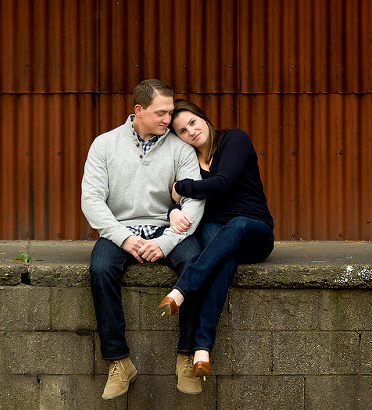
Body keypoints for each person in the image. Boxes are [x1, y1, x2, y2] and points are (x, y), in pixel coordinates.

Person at [82, 80, 206, 400]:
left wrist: (165, 242)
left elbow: (194, 201)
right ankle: (119, 362)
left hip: (169, 228)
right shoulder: (105, 144)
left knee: (196, 264)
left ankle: (187, 357)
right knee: (100, 269)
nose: (169, 119)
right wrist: (123, 237)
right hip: (120, 228)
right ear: (139, 111)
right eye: (161, 113)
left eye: (170, 112)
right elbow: (92, 200)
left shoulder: (181, 148)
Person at [158, 99, 274, 380]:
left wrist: (181, 186)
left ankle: (184, 287)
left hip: (254, 229)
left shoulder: (234, 138)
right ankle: (202, 349)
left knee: (236, 225)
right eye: (182, 131)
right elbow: (178, 202)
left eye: (193, 123)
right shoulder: (187, 160)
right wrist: (173, 211)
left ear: (203, 118)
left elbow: (223, 183)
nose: (191, 132)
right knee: (222, 259)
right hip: (215, 229)